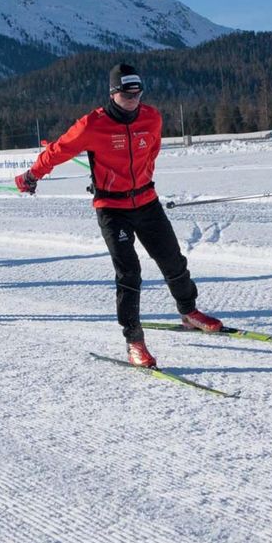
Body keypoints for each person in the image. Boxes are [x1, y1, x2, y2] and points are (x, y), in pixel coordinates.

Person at [14, 63, 223, 367]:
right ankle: (134, 342)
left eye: (138, 95)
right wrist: (32, 175)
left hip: (147, 201)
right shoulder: (91, 125)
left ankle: (188, 312)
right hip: (112, 209)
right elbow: (58, 150)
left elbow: (152, 150)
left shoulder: (152, 117)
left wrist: (141, 178)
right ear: (113, 94)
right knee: (130, 273)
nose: (133, 102)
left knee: (172, 259)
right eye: (127, 96)